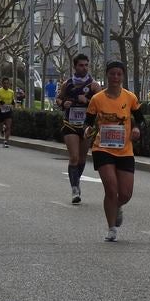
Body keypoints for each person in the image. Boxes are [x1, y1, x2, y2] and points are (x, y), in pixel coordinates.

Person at [83, 61, 144, 242]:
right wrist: (87, 130)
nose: (115, 78)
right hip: (102, 148)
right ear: (107, 75)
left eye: (119, 74)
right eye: (112, 74)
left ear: (123, 77)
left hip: (125, 150)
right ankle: (111, 229)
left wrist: (137, 129)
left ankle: (116, 206)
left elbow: (141, 120)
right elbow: (88, 122)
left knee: (125, 194)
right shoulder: (97, 99)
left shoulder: (130, 98)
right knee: (111, 188)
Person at [56, 54, 99, 204]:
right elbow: (59, 99)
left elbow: (100, 105)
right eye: (81, 65)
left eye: (86, 65)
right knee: (74, 157)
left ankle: (76, 180)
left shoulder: (94, 85)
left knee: (81, 158)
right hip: (70, 124)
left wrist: (86, 101)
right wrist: (63, 104)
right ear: (75, 66)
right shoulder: (67, 84)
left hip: (86, 126)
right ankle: (74, 188)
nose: (84, 68)